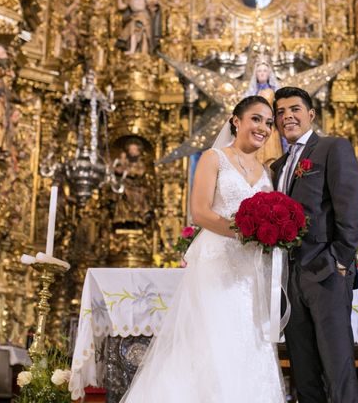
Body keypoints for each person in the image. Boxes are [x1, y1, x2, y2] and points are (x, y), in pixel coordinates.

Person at [121, 95, 284, 403]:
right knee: (212, 339)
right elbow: (201, 212)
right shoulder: (214, 158)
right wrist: (244, 231)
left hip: (252, 271)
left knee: (249, 343)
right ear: (236, 121)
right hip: (218, 263)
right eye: (256, 119)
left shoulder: (267, 172)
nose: (263, 127)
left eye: (269, 123)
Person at [270, 86, 358, 403]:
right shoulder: (279, 166)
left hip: (326, 271)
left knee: (337, 366)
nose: (287, 116)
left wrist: (340, 259)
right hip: (290, 278)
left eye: (294, 109)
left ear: (310, 114)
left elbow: (349, 207)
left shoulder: (332, 148)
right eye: (280, 112)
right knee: (304, 370)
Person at [246, 59, 284, 164]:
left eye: (264, 71)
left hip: (270, 129)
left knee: (271, 158)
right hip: (254, 130)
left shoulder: (275, 91)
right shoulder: (252, 93)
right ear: (255, 74)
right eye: (259, 71)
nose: (262, 73)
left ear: (269, 74)